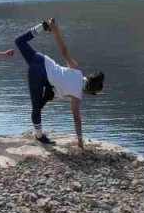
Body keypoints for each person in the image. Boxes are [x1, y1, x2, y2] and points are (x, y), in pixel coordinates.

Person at [13, 18, 104, 149]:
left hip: (43, 61)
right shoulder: (76, 96)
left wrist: (55, 31)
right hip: (40, 76)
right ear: (90, 91)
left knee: (19, 41)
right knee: (37, 106)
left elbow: (64, 52)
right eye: (93, 93)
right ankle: (39, 136)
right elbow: (77, 120)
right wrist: (80, 141)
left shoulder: (77, 70)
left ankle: (42, 26)